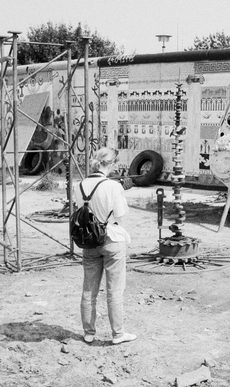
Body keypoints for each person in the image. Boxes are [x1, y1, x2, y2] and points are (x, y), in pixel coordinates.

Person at [79, 147, 136, 345]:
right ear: (111, 164)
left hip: (89, 241)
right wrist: (121, 192)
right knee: (114, 291)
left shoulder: (81, 185)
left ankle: (88, 332)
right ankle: (118, 334)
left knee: (89, 290)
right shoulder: (113, 186)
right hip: (112, 239)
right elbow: (121, 215)